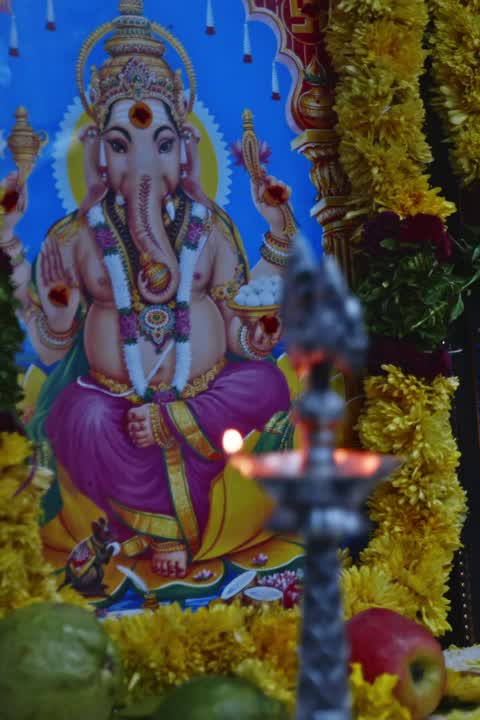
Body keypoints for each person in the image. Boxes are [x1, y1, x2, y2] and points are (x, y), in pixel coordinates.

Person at [1, 0, 297, 584]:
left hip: (206, 395)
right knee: (74, 417)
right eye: (121, 145)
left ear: (184, 148)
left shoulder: (209, 228)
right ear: (99, 153)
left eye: (161, 145)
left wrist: (276, 244)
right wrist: (56, 311)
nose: (143, 161)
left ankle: (172, 442)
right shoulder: (76, 239)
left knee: (266, 382)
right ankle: (153, 522)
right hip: (114, 401)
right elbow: (54, 351)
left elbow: (242, 325)